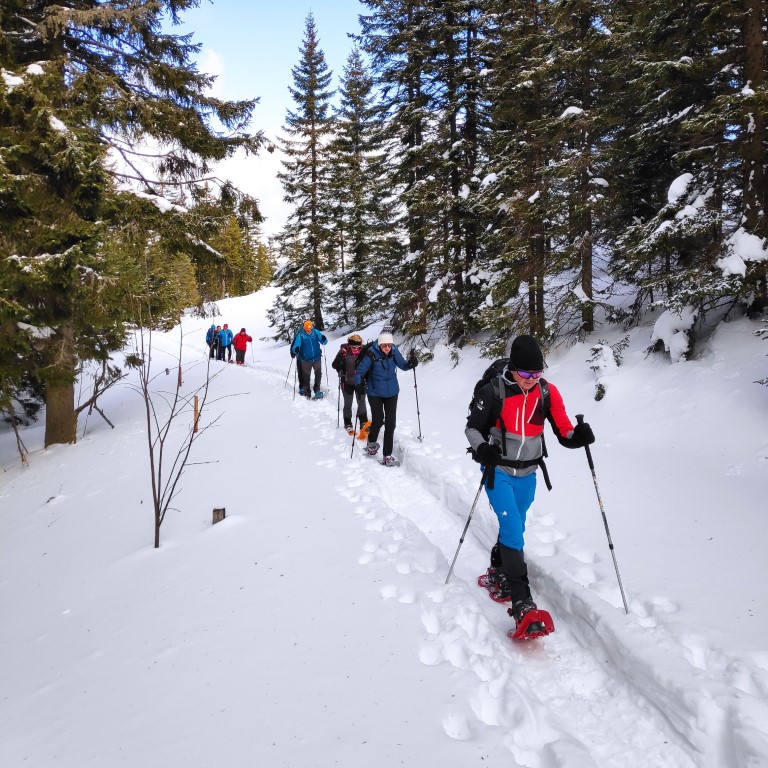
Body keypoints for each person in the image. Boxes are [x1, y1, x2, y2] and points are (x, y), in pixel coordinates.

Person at [465, 334, 595, 634]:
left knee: (516, 526)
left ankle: (497, 572)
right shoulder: (493, 391)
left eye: (537, 373)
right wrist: (483, 448)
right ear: (513, 368)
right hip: (498, 472)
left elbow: (564, 430)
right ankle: (523, 604)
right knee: (512, 528)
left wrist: (579, 437)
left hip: (529, 473)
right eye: (525, 373)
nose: (531, 379)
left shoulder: (547, 392)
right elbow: (472, 428)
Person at [354, 329, 418, 466]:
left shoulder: (394, 351)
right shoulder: (371, 354)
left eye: (389, 345)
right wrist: (358, 383)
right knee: (378, 420)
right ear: (379, 345)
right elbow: (359, 371)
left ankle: (387, 456)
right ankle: (371, 444)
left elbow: (403, 365)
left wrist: (411, 363)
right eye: (384, 345)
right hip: (374, 392)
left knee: (391, 424)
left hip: (392, 392)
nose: (387, 348)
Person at [331, 333, 370, 435]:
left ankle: (363, 423)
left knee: (361, 402)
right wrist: (340, 360)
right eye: (354, 346)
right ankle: (348, 423)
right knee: (348, 403)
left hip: (360, 382)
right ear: (349, 345)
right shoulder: (344, 351)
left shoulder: (364, 352)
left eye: (358, 346)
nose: (356, 348)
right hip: (347, 382)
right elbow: (334, 365)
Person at [290, 320, 328, 399]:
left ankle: (317, 390)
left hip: (317, 358)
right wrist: (295, 349)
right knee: (306, 376)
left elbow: (324, 342)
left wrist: (324, 339)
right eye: (307, 330)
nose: (308, 331)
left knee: (318, 375)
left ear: (312, 328)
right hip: (306, 360)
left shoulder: (315, 332)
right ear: (304, 328)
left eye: (310, 329)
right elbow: (296, 345)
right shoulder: (300, 334)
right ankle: (307, 392)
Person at [290, 329, 308, 395]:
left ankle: (305, 386)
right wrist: (293, 353)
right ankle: (302, 387)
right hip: (300, 357)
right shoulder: (298, 335)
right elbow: (293, 345)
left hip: (308, 357)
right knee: (301, 372)